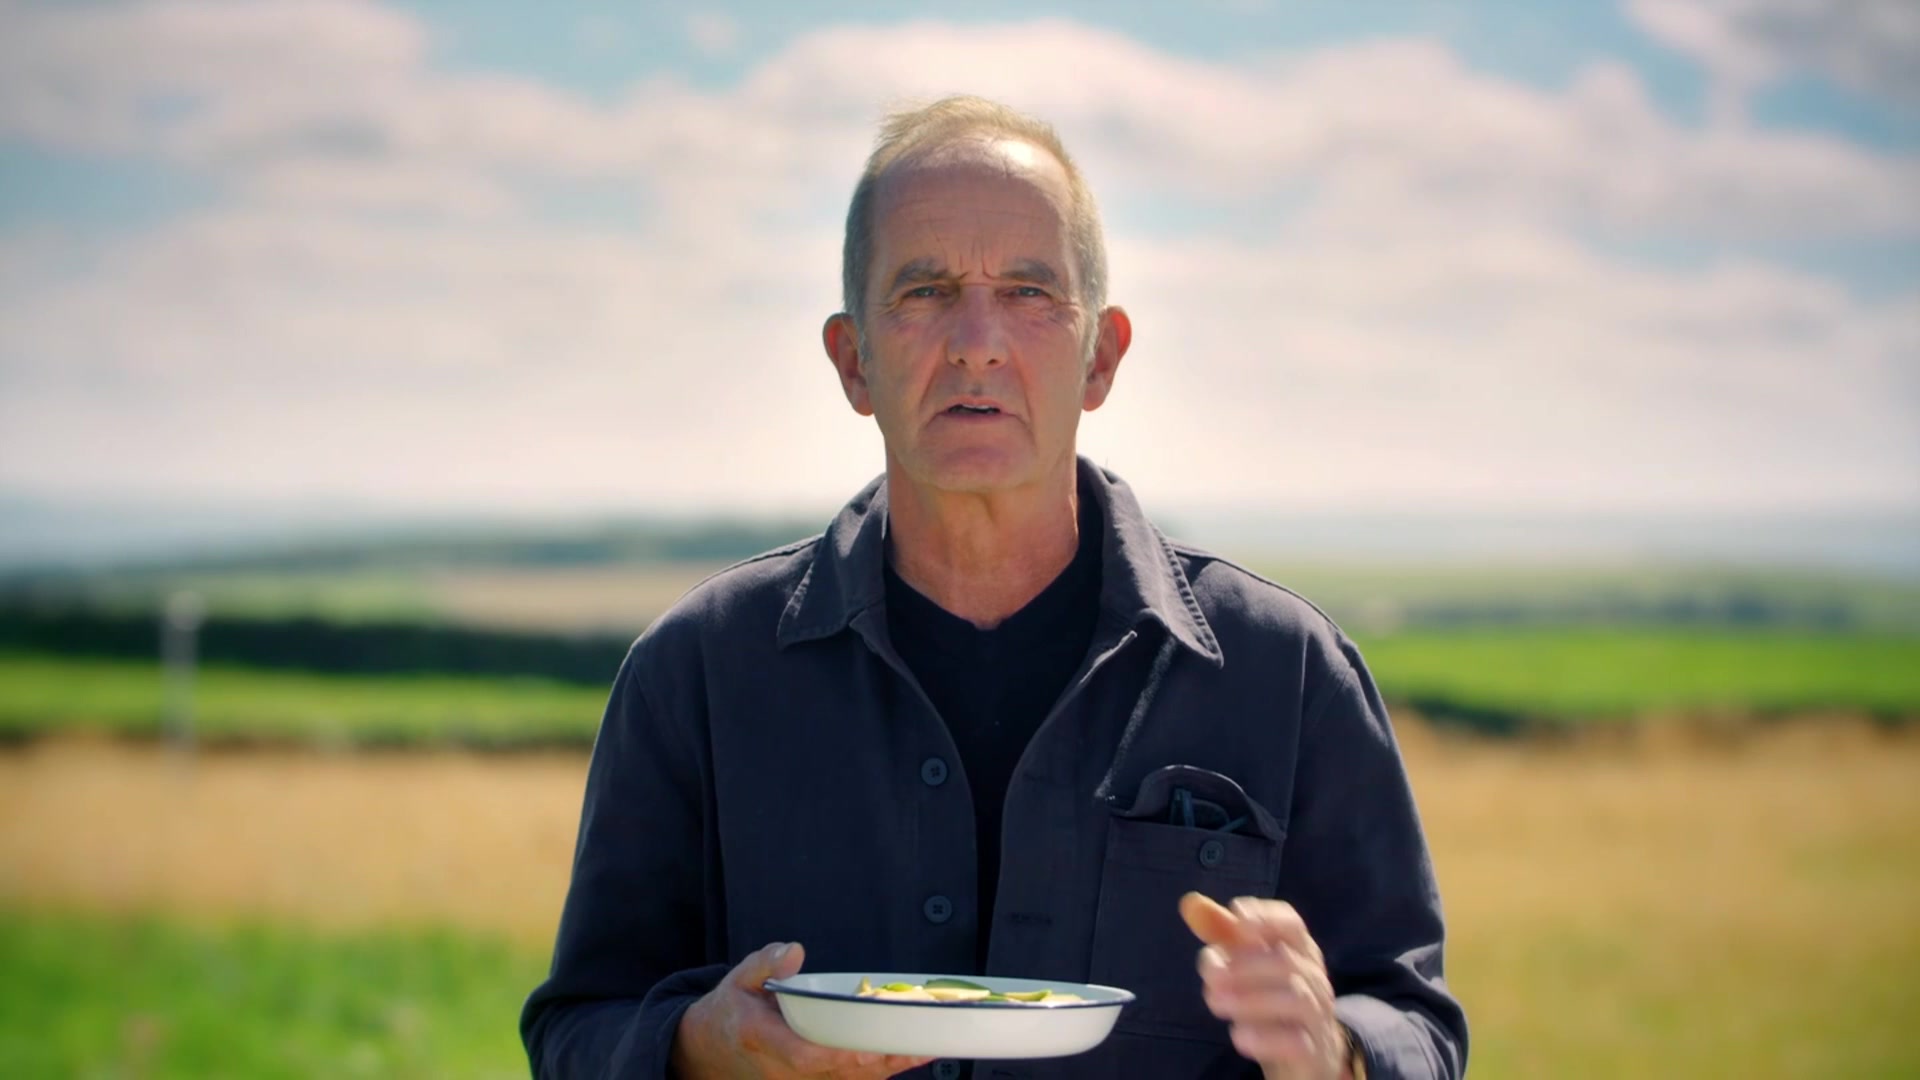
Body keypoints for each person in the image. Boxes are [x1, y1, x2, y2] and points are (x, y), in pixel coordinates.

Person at [522, 95, 1467, 1080]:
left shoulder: (1286, 671)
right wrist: (699, 1047)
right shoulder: (697, 672)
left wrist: (1338, 1052)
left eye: (1028, 291)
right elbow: (578, 1028)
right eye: (925, 290)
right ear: (854, 362)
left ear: (1101, 356)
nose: (977, 341)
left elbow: (1416, 1022)